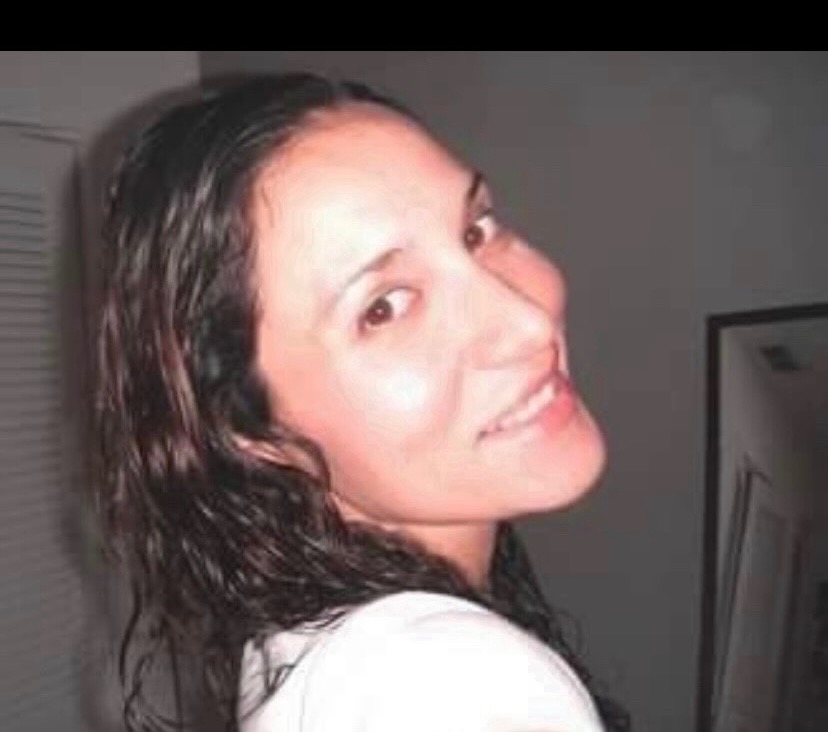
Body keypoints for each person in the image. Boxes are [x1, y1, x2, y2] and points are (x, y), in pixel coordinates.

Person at [94, 73, 631, 732]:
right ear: (251, 426)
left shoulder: (309, 642)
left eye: (475, 230)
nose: (528, 323)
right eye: (383, 308)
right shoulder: (453, 687)